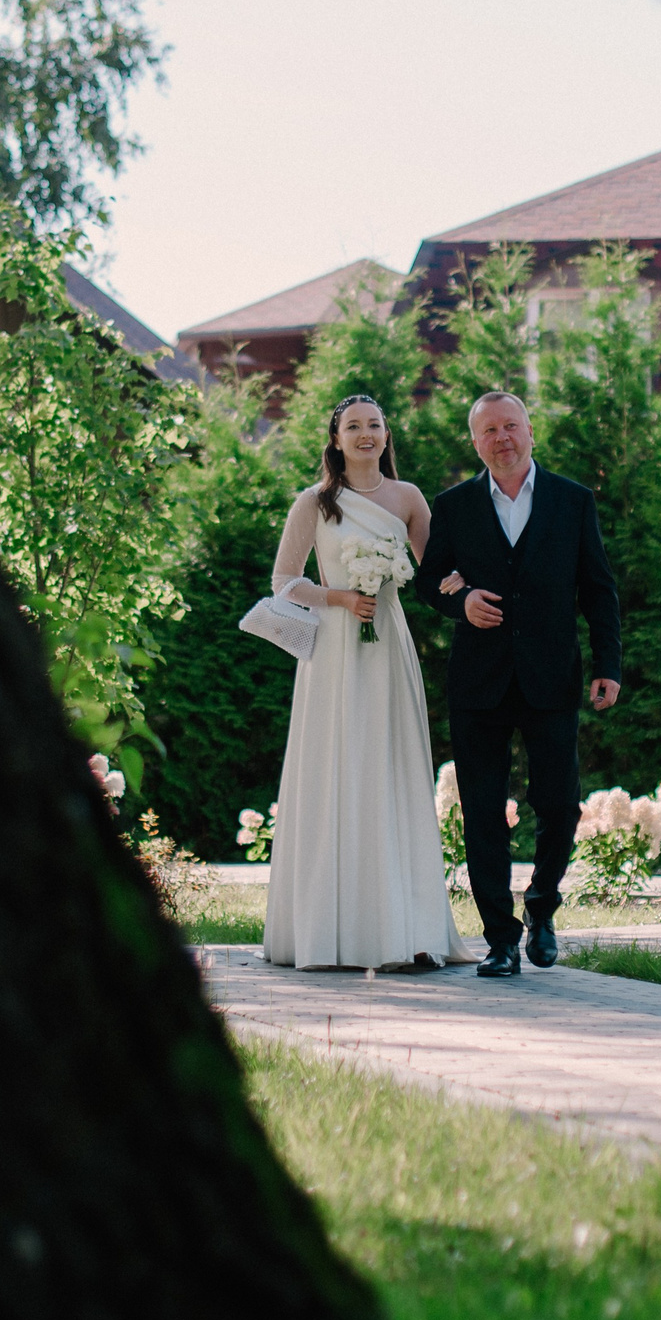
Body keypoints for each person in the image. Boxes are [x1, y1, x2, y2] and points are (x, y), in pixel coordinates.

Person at [415, 391, 623, 978]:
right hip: (478, 682)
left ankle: (542, 906)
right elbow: (429, 582)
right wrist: (463, 601)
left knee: (560, 805)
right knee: (481, 812)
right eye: (489, 431)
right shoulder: (452, 506)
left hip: (552, 676)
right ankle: (500, 940)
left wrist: (609, 665)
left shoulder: (572, 501)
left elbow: (598, 589)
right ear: (475, 442)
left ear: (530, 432)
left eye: (511, 426)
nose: (501, 438)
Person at [261, 395, 472, 970]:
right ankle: (329, 932)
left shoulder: (408, 499)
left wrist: (468, 583)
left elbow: (434, 571)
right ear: (335, 439)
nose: (365, 434)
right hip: (334, 651)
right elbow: (285, 580)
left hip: (388, 647)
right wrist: (340, 598)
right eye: (353, 426)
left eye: (374, 425)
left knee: (390, 767)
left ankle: (406, 928)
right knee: (337, 767)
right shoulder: (315, 502)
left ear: (386, 435)